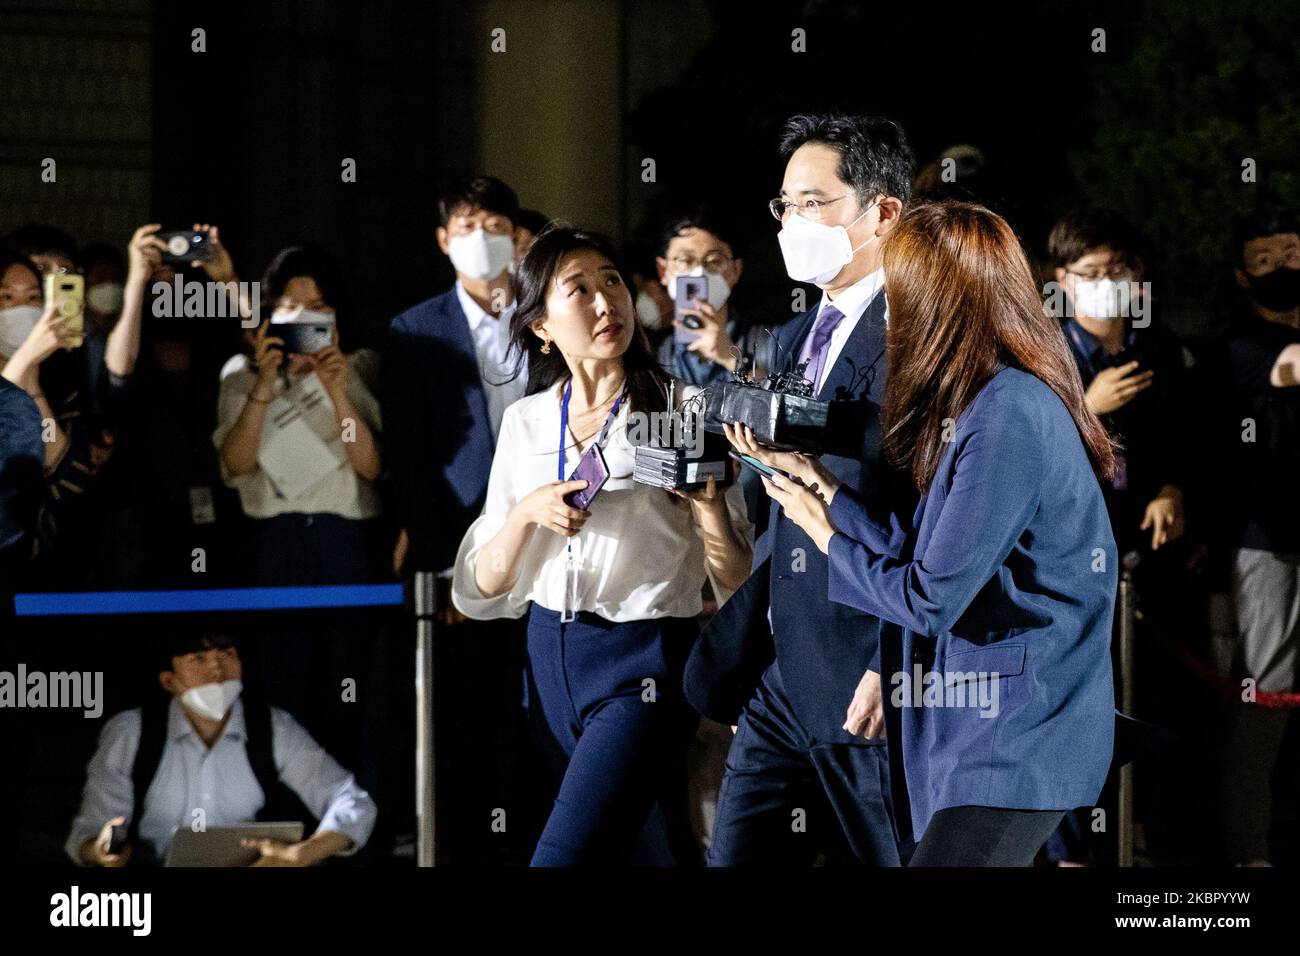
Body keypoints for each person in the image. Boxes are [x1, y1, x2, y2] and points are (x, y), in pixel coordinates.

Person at [734, 200, 1119, 866]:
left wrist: (825, 537)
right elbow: (925, 548)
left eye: (899, 293)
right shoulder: (986, 401)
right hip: (975, 735)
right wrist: (821, 488)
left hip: (1016, 735)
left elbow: (929, 597)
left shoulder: (1007, 414)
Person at [451, 226, 753, 865]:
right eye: (578, 290)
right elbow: (486, 581)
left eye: (611, 281)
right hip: (548, 656)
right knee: (642, 850)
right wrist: (529, 512)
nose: (604, 303)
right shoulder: (526, 420)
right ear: (540, 325)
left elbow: (736, 574)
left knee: (563, 855)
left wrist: (708, 510)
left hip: (643, 660)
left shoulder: (680, 405)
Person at [683, 111, 914, 866]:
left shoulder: (917, 333)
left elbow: (927, 507)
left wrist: (893, 663)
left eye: (814, 202)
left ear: (883, 212)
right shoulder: (787, 337)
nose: (792, 220)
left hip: (864, 665)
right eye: (785, 204)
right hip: (783, 666)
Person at [383, 175, 539, 864]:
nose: (484, 240)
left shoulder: (546, 314)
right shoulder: (415, 330)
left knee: (540, 718)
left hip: (551, 543)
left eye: (496, 225)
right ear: (445, 240)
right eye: (469, 226)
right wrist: (449, 568)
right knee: (470, 725)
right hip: (463, 555)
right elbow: (410, 461)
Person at [1044, 208, 1194, 865]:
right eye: (1091, 273)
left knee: (1151, 704)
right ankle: (1074, 846)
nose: (1107, 283)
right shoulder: (1039, 352)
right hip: (1065, 564)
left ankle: (1146, 838)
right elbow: (1018, 456)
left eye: (1119, 271)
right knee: (1077, 712)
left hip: (1146, 561)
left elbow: (1192, 441)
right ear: (1063, 280)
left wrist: (1172, 490)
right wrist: (1087, 407)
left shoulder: (1161, 349)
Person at [213, 244, 383, 768]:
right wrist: (264, 384)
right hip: (274, 544)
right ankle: (284, 815)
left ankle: (355, 819)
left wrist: (336, 393)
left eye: (318, 306)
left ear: (337, 315)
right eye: (290, 305)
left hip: (344, 542)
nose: (304, 317)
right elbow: (235, 465)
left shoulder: (361, 367)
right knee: (276, 680)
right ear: (271, 313)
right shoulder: (240, 374)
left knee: (349, 683)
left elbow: (372, 466)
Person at [66, 625, 377, 867]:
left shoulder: (272, 728)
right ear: (168, 680)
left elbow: (352, 801)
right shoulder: (132, 733)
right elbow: (88, 834)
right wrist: (102, 848)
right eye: (198, 659)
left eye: (227, 654)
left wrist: (303, 853)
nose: (217, 670)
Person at [1221, 206, 1300, 867]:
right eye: (1267, 260)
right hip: (1271, 543)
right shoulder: (1241, 347)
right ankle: (1250, 853)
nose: (1284, 268)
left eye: (1293, 253)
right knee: (1266, 699)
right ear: (1243, 277)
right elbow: (1291, 366)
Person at [655, 209, 755, 388]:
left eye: (715, 261)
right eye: (685, 261)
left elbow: (783, 405)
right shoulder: (652, 350)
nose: (699, 273)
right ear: (663, 271)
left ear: (735, 270)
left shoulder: (770, 341)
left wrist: (731, 358)